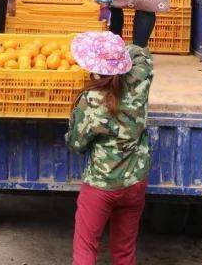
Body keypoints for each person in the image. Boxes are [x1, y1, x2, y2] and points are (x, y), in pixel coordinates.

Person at [66, 31, 154, 265]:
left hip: (101, 185)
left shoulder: (91, 100)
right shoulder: (140, 81)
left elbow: (76, 144)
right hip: (136, 181)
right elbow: (142, 53)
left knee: (86, 248)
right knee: (124, 252)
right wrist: (120, 53)